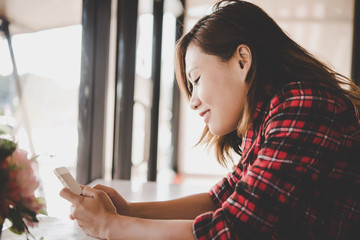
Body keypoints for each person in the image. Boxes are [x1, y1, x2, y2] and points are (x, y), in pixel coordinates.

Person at [60, 0, 360, 239]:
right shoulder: (271, 113)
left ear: (242, 61)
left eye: (196, 78)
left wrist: (109, 227)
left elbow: (232, 230)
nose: (192, 101)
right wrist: (126, 211)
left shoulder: (305, 105)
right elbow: (222, 200)